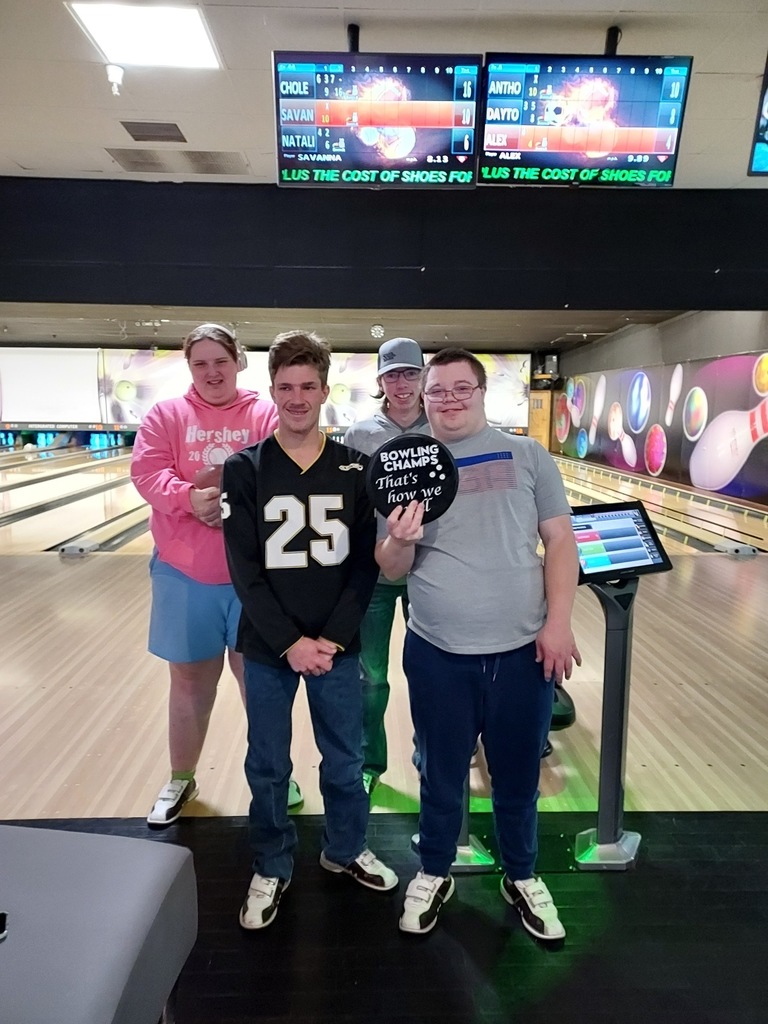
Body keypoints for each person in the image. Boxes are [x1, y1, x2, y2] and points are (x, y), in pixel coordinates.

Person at [377, 347, 581, 941]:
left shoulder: (527, 455)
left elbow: (561, 542)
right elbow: (391, 569)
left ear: (483, 392)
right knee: (440, 776)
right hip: (438, 651)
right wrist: (397, 538)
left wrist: (559, 623)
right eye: (437, 390)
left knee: (518, 778)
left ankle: (520, 875)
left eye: (461, 388)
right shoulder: (406, 465)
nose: (448, 399)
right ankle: (434, 870)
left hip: (522, 650)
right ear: (422, 397)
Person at [221, 330, 398, 931]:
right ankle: (272, 863)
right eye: (285, 387)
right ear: (272, 391)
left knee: (345, 760)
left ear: (325, 390)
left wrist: (333, 640)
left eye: (308, 387)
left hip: (336, 647)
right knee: (268, 763)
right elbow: (244, 570)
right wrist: (290, 643)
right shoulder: (244, 469)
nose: (297, 398)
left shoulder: (356, 467)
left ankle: (345, 849)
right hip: (270, 647)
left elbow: (363, 566)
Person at [131, 322, 302, 827]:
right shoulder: (167, 415)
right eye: (200, 363)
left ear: (238, 361)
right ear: (189, 367)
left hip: (255, 579)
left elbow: (287, 469)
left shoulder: (265, 413)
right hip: (185, 574)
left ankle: (277, 772)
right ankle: (181, 777)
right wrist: (190, 498)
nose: (211, 372)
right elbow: (148, 472)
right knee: (188, 682)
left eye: (220, 361)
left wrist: (231, 505)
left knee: (260, 684)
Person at [343, 337, 428, 794]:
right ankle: (369, 763)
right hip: (376, 574)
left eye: (410, 373)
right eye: (392, 375)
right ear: (379, 380)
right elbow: (352, 507)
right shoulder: (359, 435)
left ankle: (428, 752)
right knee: (371, 676)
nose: (401, 383)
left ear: (423, 377)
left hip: (430, 570)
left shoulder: (445, 429)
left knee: (429, 669)